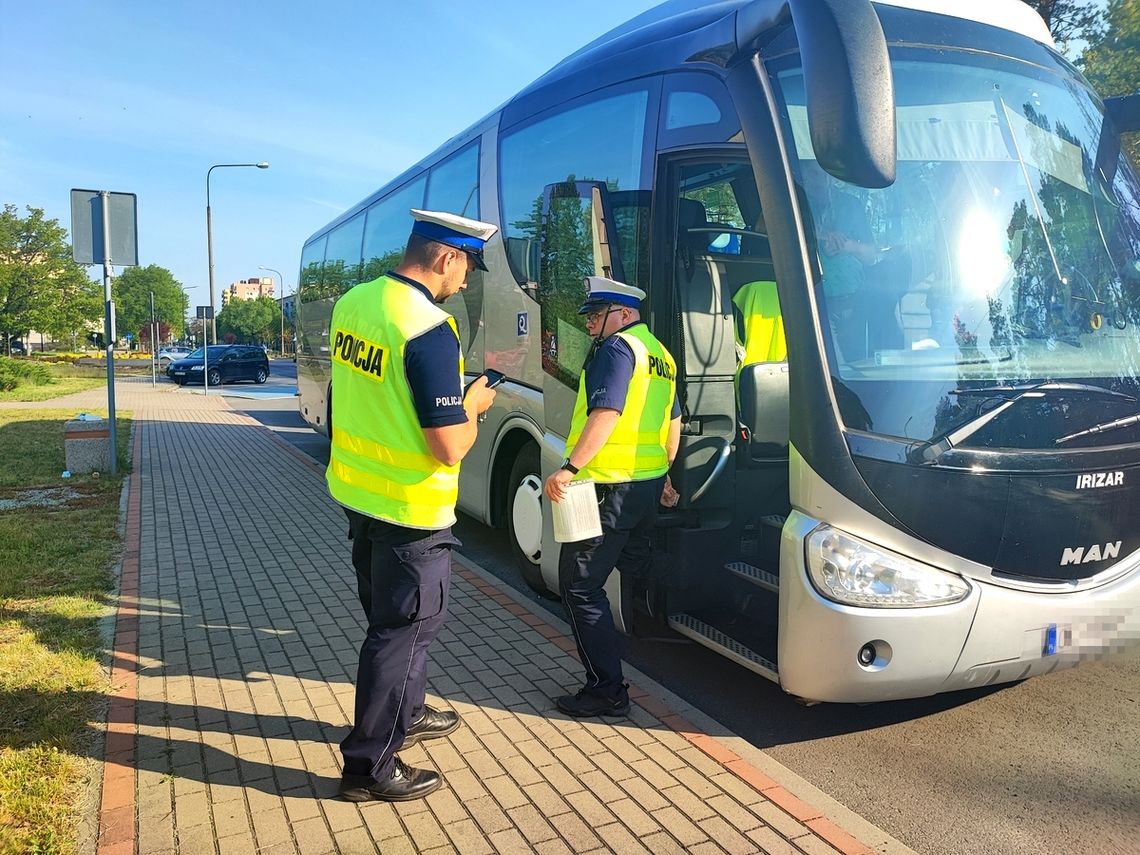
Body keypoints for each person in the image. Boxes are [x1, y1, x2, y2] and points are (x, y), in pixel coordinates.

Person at [327, 208, 499, 803]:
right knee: (401, 634)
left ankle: (411, 711)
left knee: (394, 627)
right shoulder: (429, 327)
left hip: (360, 496)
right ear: (447, 258)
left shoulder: (354, 302)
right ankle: (369, 768)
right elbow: (449, 445)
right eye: (468, 267)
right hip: (411, 509)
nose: (467, 282)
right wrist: (473, 404)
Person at [543, 276, 681, 718]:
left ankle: (607, 690)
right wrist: (664, 474)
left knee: (579, 586)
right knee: (634, 561)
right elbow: (672, 422)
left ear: (622, 315)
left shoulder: (617, 350)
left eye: (596, 316)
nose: (589, 326)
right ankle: (658, 636)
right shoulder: (660, 355)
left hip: (607, 487)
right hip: (643, 484)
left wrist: (568, 469)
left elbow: (607, 412)